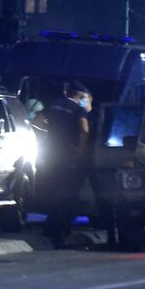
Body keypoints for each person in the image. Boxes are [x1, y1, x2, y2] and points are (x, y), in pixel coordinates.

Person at [42, 80, 93, 248]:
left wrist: (52, 131)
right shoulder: (78, 110)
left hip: (51, 153)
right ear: (80, 95)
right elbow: (84, 130)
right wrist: (80, 149)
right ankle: (60, 230)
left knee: (52, 190)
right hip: (68, 156)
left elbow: (36, 120)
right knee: (67, 194)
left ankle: (50, 227)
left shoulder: (55, 105)